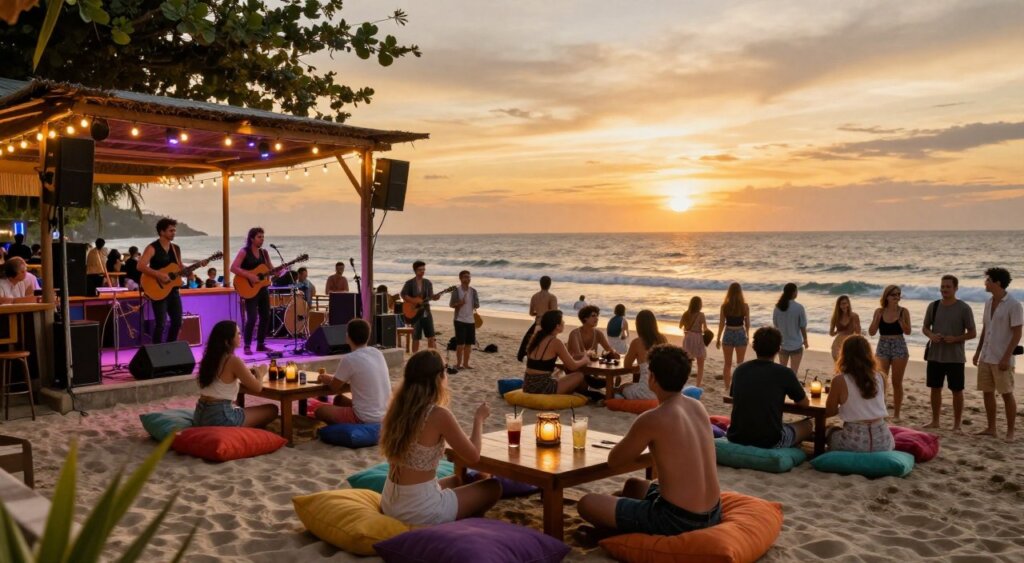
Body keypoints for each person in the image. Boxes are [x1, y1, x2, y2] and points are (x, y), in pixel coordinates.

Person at [577, 344, 720, 541]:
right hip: (713, 512)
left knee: (587, 503)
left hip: (676, 519)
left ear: (651, 378)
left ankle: (622, 532)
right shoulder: (698, 407)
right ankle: (620, 526)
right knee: (633, 486)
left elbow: (615, 461)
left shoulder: (653, 418)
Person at [379, 350, 502, 525]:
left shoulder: (397, 409)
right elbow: (473, 455)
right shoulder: (437, 414)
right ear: (438, 377)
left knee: (457, 480)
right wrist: (479, 419)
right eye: (445, 370)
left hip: (390, 501)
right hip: (418, 510)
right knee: (492, 487)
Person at [726, 326, 813, 449]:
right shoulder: (785, 373)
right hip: (770, 441)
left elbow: (735, 396)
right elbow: (804, 404)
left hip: (737, 436)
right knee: (808, 425)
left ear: (754, 346)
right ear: (778, 348)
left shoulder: (740, 370)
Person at [193, 320, 279, 428]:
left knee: (239, 408)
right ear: (227, 341)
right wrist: (261, 372)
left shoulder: (208, 359)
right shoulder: (232, 360)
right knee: (272, 409)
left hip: (200, 414)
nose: (240, 336)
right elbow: (257, 388)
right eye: (237, 334)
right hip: (219, 417)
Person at [972, 267, 1021, 443]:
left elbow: (1017, 333)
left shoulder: (1014, 304)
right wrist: (977, 351)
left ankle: (1010, 432)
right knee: (987, 392)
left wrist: (1006, 358)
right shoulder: (988, 302)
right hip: (986, 355)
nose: (985, 283)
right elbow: (986, 328)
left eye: (988, 280)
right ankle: (991, 428)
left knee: (1007, 393)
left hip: (1002, 357)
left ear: (997, 283)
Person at [922, 275, 976, 432]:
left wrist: (957, 338)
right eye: (942, 286)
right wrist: (931, 335)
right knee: (935, 388)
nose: (944, 289)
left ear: (955, 288)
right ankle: (935, 421)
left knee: (957, 390)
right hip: (935, 355)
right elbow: (925, 328)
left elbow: (973, 333)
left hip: (955, 357)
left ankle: (957, 424)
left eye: (948, 287)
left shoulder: (964, 308)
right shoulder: (933, 306)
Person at [314, 319, 391, 424]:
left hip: (364, 417)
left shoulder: (350, 359)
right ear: (368, 337)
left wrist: (325, 378)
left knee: (320, 411)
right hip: (384, 414)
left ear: (348, 336)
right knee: (339, 400)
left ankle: (347, 425)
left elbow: (334, 387)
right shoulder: (377, 353)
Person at [825, 335, 893, 452]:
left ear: (844, 355)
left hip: (854, 442)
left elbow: (830, 411)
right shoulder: (881, 377)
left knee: (828, 431)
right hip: (883, 441)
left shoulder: (840, 380)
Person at [230, 227, 279, 355]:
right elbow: (233, 268)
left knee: (266, 316)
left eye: (263, 237)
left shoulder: (264, 253)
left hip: (263, 288)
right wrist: (249, 275)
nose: (262, 239)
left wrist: (278, 271)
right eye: (259, 237)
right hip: (249, 289)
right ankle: (246, 345)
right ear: (252, 238)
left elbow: (269, 268)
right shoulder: (244, 252)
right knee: (251, 318)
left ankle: (261, 344)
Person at [868, 285, 911, 420]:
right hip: (883, 345)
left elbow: (908, 331)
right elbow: (872, 332)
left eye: (898, 294)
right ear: (886, 296)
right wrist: (877, 319)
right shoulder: (879, 311)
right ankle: (882, 410)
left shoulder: (903, 311)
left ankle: (897, 414)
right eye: (893, 295)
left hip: (899, 345)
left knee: (896, 382)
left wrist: (902, 323)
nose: (897, 297)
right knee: (881, 380)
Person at [138, 219, 184, 344]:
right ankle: (157, 352)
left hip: (173, 291)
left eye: (174, 230)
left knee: (177, 322)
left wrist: (192, 268)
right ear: (162, 232)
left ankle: (170, 348)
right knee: (161, 324)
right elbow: (140, 266)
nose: (174, 233)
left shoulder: (176, 248)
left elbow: (179, 267)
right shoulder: (152, 247)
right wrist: (158, 274)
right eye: (171, 230)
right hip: (158, 290)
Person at [523, 310, 590, 394]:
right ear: (557, 326)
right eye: (562, 321)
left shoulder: (536, 339)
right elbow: (572, 366)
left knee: (557, 373)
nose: (564, 322)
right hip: (543, 388)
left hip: (527, 385)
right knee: (579, 375)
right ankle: (586, 396)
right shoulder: (555, 342)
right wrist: (585, 359)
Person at [618, 310, 668, 400]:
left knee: (622, 387)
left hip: (646, 392)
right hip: (663, 391)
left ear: (638, 325)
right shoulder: (663, 339)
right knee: (634, 384)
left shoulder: (637, 342)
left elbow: (626, 365)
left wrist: (639, 366)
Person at [401, 260, 443, 353]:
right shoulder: (409, 283)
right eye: (420, 270)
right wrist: (414, 300)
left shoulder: (428, 283)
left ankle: (432, 357)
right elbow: (403, 294)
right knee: (416, 337)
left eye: (424, 269)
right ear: (415, 270)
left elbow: (431, 296)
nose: (422, 272)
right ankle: (415, 356)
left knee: (431, 336)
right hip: (414, 314)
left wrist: (435, 297)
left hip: (426, 312)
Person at [716, 282, 750, 393]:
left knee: (727, 364)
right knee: (740, 364)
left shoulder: (724, 306)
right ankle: (738, 387)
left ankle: (727, 387)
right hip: (740, 332)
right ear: (740, 292)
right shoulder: (745, 306)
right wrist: (748, 334)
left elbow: (721, 324)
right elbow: (747, 323)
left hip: (728, 333)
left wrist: (718, 338)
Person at [518, 275, 559, 361]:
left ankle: (524, 356)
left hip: (537, 322)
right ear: (550, 284)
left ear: (540, 284)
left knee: (528, 341)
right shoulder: (552, 297)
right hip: (547, 324)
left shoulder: (534, 296)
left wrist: (539, 313)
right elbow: (554, 313)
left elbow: (531, 313)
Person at [772, 283, 808, 374]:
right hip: (796, 344)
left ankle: (782, 388)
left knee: (782, 372)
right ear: (793, 293)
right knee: (793, 372)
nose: (797, 293)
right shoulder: (799, 307)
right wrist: (806, 340)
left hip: (782, 344)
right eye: (796, 291)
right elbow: (802, 326)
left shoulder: (777, 307)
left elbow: (775, 324)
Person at [450, 270, 479, 370]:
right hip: (459, 319)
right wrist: (459, 303)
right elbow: (451, 305)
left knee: (469, 344)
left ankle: (466, 364)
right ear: (461, 278)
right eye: (465, 277)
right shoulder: (456, 291)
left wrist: (475, 304)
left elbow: (477, 305)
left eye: (469, 277)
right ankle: (458, 364)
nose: (468, 279)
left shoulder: (473, 291)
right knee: (460, 344)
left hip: (471, 320)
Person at [679, 296, 708, 387]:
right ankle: (698, 384)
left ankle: (684, 383)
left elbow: (680, 326)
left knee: (687, 362)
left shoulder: (686, 314)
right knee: (700, 364)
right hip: (697, 338)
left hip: (688, 338)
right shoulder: (701, 315)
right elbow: (705, 328)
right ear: (699, 305)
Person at [829, 295, 862, 361]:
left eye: (844, 303)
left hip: (850, 342)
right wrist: (837, 332)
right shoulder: (836, 317)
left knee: (849, 364)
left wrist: (855, 327)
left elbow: (858, 333)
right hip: (838, 342)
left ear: (848, 304)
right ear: (838, 306)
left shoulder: (854, 316)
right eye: (840, 304)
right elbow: (831, 333)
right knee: (838, 364)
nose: (843, 306)